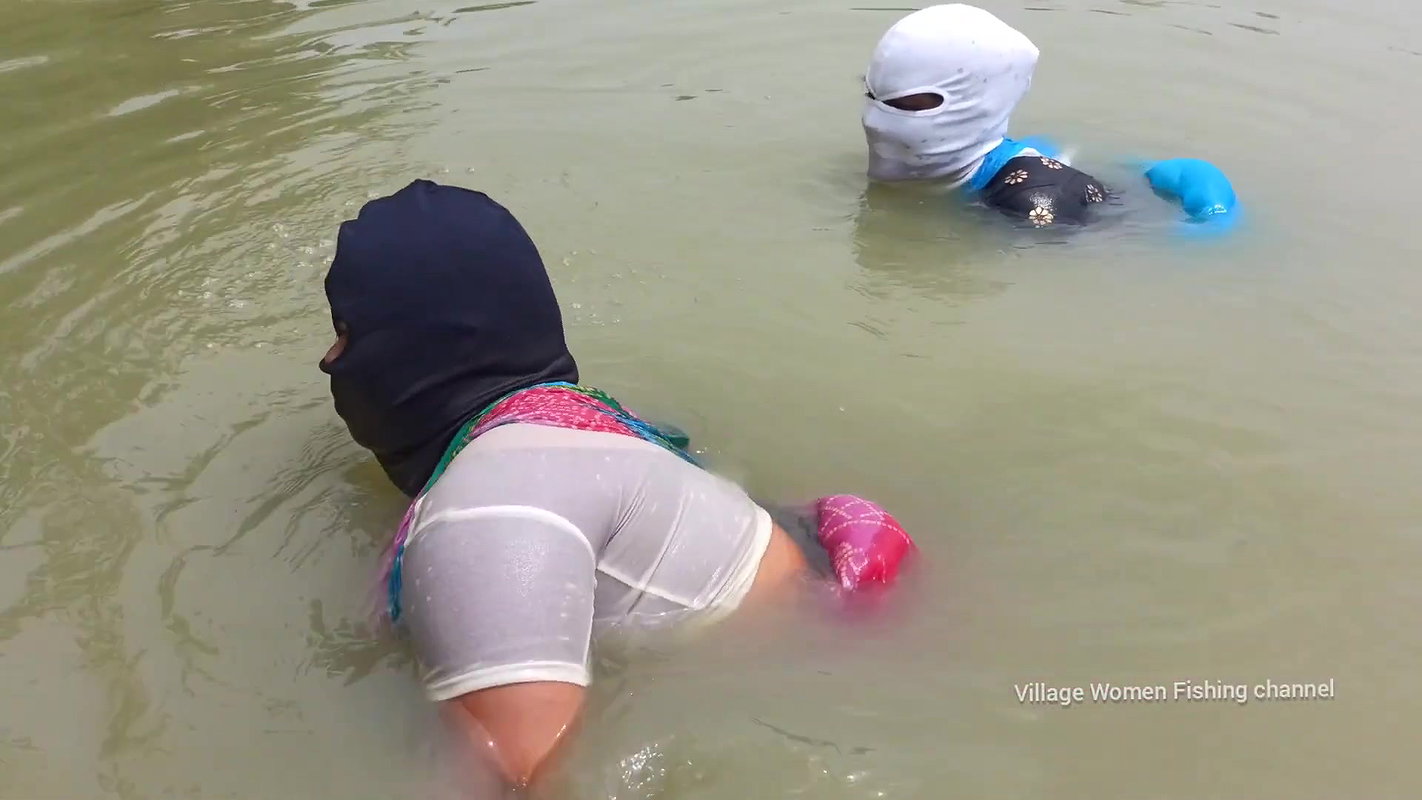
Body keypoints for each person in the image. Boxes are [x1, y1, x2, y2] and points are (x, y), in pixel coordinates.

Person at [318, 179, 914, 790]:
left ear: (410, 342)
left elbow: (527, 777)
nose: (329, 360)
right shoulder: (580, 425)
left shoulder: (490, 508)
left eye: (343, 329)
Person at [860, 4, 1238, 229]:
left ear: (976, 102)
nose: (878, 119)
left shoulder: (1037, 206)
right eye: (873, 96)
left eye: (906, 104)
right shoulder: (923, 170)